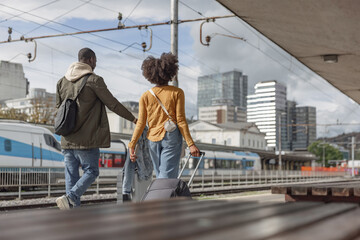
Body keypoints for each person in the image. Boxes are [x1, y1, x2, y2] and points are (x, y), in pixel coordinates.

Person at [55, 48, 137, 210]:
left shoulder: (61, 82)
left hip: (67, 139)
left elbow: (58, 109)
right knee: (91, 171)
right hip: (87, 140)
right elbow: (112, 104)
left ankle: (71, 215)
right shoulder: (94, 80)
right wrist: (134, 119)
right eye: (96, 60)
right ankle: (71, 197)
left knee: (71, 178)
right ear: (91, 60)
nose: (96, 63)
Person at [128, 53, 200, 179]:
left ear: (150, 75)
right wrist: (190, 144)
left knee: (161, 174)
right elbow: (181, 120)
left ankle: (166, 197)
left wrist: (132, 144)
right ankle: (162, 198)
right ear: (170, 72)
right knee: (167, 177)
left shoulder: (146, 96)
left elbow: (140, 123)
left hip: (152, 139)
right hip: (170, 136)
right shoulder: (177, 92)